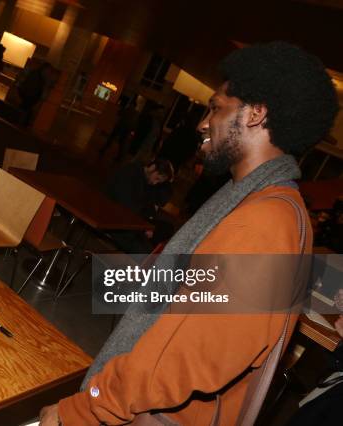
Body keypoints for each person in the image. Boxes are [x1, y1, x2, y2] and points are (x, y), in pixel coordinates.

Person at [39, 41, 338, 425]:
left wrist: (80, 410)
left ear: (255, 114)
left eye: (215, 108)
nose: (202, 122)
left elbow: (179, 363)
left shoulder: (262, 225)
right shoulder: (268, 206)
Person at [105, 158, 174, 252]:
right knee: (144, 251)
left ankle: (149, 246)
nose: (155, 183)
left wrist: (149, 223)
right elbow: (128, 206)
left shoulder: (146, 179)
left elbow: (151, 203)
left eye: (158, 182)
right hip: (116, 217)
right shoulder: (131, 172)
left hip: (132, 218)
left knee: (167, 228)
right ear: (152, 167)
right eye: (157, 178)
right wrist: (145, 226)